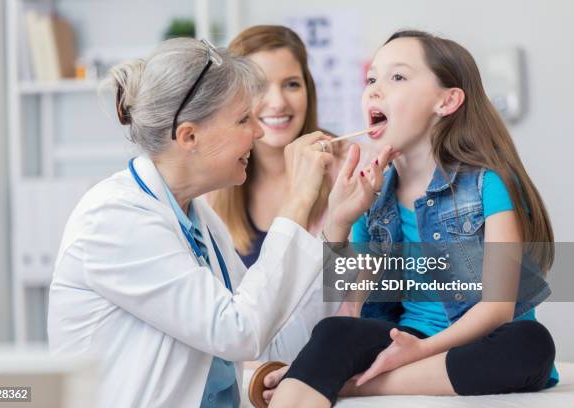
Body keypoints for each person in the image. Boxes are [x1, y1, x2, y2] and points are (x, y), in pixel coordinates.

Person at [47, 37, 378, 408]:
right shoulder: (113, 220)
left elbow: (277, 338)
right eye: (242, 120)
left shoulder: (197, 218)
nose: (257, 132)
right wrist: (298, 199)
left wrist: (336, 224)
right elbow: (240, 332)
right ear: (189, 136)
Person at [253, 30, 558, 408]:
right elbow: (351, 302)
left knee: (531, 345)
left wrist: (420, 350)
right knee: (335, 331)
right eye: (371, 79)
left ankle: (355, 385)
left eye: (397, 77)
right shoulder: (373, 196)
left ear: (447, 101)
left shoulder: (487, 185)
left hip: (478, 342)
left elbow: (497, 309)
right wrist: (342, 218)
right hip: (403, 336)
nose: (375, 90)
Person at [209, 25, 347, 268]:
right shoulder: (211, 186)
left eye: (291, 84)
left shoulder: (354, 167)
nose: (278, 103)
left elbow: (364, 290)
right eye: (258, 87)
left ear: (308, 90)